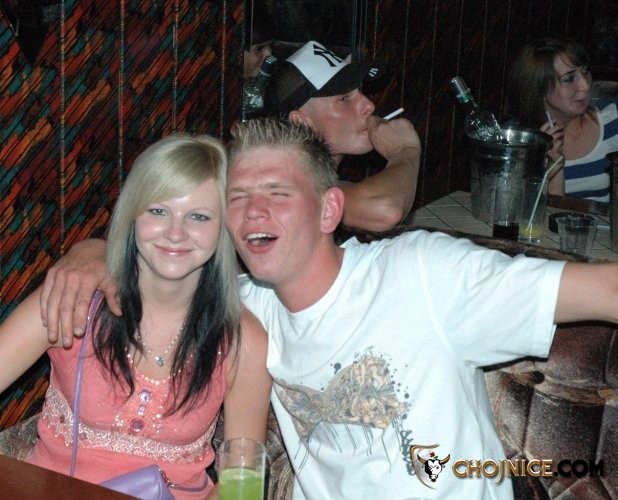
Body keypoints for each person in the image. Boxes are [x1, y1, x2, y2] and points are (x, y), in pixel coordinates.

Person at [39, 118, 618, 499]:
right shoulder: (247, 309)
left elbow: (605, 289)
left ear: (328, 209)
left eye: (278, 193)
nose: (255, 212)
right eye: (238, 198)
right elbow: (156, 263)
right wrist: (92, 254)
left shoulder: (422, 273)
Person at [0, 133, 271, 498]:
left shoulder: (242, 341)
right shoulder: (73, 300)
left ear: (224, 227)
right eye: (158, 211)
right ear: (132, 214)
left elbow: (241, 481)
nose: (175, 233)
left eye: (199, 216)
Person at [265, 40, 421, 232]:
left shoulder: (327, 183)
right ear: (301, 122)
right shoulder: (287, 187)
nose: (369, 105)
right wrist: (405, 151)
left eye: (360, 91)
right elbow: (385, 209)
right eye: (344, 98)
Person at [508, 36, 618, 201]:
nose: (585, 86)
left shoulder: (612, 117)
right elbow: (527, 212)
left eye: (585, 71)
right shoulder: (517, 140)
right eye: (569, 79)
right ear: (540, 89)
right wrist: (554, 166)